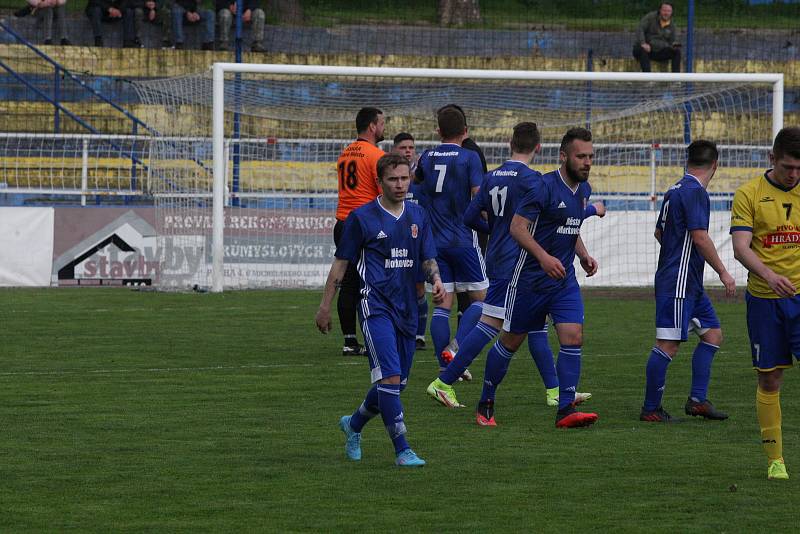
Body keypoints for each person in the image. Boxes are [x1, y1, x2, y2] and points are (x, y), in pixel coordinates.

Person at [316, 154, 445, 467]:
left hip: (408, 309)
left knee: (395, 384)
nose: (400, 185)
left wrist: (437, 280)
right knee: (389, 379)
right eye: (393, 179)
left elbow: (427, 258)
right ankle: (402, 449)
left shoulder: (418, 215)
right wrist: (325, 306)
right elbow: (341, 263)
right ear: (380, 182)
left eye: (404, 178)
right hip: (374, 306)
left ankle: (354, 424)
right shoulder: (361, 218)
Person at [477, 127, 600, 428]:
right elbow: (517, 228)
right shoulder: (541, 187)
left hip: (563, 280)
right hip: (530, 280)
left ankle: (566, 410)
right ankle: (486, 402)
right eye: (580, 156)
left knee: (573, 337)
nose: (587, 162)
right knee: (510, 342)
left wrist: (582, 254)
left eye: (590, 157)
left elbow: (569, 226)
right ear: (563, 156)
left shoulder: (583, 191)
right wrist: (543, 257)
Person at [639, 140, 736, 423]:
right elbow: (700, 237)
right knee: (668, 344)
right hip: (678, 283)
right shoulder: (696, 192)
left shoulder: (673, 190)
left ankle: (697, 400)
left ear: (688, 161)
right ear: (715, 165)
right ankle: (651, 409)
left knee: (713, 335)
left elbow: (660, 233)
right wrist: (723, 272)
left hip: (688, 282)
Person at [731, 126, 800, 481]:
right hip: (764, 299)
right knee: (770, 378)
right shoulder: (749, 194)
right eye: (788, 167)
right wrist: (770, 275)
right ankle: (775, 459)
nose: (794, 174)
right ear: (772, 159)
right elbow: (741, 247)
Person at [416, 106, 488, 373]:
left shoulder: (427, 156)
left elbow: (416, 180)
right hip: (463, 240)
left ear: (439, 131)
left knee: (442, 306)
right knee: (484, 302)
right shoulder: (470, 158)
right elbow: (479, 197)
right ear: (465, 132)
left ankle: (444, 368)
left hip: (435, 243)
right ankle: (454, 348)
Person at [334, 107, 386, 356]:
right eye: (382, 123)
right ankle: (373, 337)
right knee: (369, 283)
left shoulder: (345, 153)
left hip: (342, 222)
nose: (384, 128)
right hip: (364, 224)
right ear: (373, 126)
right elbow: (383, 194)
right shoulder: (375, 155)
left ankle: (349, 340)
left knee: (348, 284)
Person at [392, 132, 428, 351]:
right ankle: (398, 328)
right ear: (394, 149)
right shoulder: (390, 177)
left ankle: (419, 335)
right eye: (403, 147)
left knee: (419, 288)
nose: (408, 150)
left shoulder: (423, 176)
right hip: (394, 238)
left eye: (411, 147)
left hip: (417, 240)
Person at [633, 3, 681, 73]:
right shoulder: (650, 17)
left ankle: (676, 79)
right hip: (645, 49)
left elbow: (674, 40)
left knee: (677, 52)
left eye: (669, 11)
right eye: (664, 10)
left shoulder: (672, 25)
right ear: (660, 10)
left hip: (659, 51)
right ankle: (647, 78)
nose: (666, 13)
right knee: (642, 50)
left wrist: (675, 46)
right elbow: (640, 29)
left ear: (671, 12)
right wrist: (643, 43)